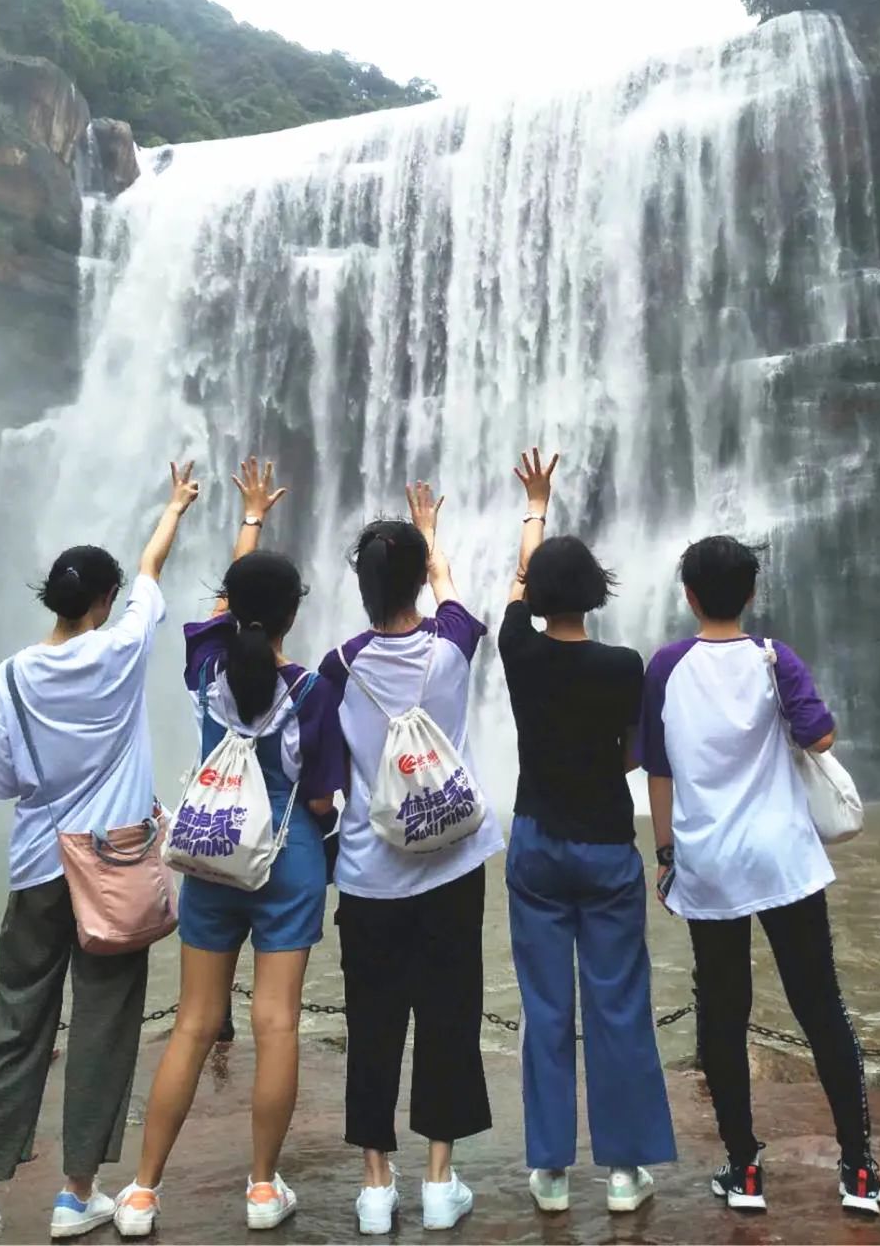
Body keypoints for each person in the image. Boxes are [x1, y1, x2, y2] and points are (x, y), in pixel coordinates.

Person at [0, 463, 199, 1245]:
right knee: (103, 1027)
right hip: (115, 869)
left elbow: (1, 778)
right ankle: (75, 1195)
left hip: (38, 867)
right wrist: (175, 505)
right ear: (102, 601)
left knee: (15, 1025)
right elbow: (152, 569)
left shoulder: (12, 677)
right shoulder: (123, 649)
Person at [113, 459, 346, 1238]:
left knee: (192, 1022)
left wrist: (248, 520)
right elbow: (321, 799)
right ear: (293, 615)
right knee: (277, 1023)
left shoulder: (206, 663)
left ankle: (142, 1192)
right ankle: (262, 1187)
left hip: (211, 852)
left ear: (234, 609)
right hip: (287, 858)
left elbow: (227, 606)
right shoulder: (312, 690)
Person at [639, 535, 880, 1218]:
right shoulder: (775, 657)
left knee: (723, 1013)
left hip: (711, 866)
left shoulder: (666, 667)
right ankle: (859, 1168)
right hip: (783, 859)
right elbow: (820, 738)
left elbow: (657, 767)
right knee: (820, 1006)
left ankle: (744, 1169)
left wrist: (665, 854)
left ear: (688, 595)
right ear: (751, 593)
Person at [319, 482, 504, 1235]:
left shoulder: (338, 669)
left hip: (370, 876)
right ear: (417, 579)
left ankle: (374, 1187)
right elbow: (450, 592)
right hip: (453, 865)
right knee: (449, 1016)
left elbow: (327, 778)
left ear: (362, 588)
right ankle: (437, 1179)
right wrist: (431, 536)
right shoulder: (451, 646)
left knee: (372, 1022)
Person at [498, 449, 676, 1216]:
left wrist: (535, 507)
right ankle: (626, 1172)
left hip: (536, 843)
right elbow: (634, 753)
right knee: (619, 1005)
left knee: (545, 1008)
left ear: (537, 596)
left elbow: (517, 586)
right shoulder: (624, 665)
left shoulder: (517, 649)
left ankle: (550, 1172)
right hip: (606, 844)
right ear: (598, 594)